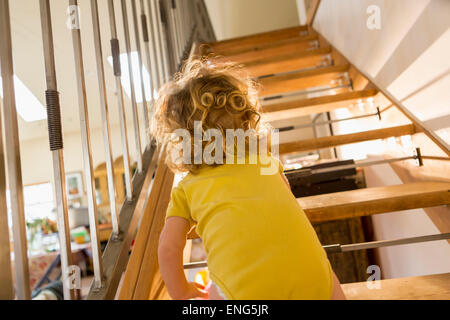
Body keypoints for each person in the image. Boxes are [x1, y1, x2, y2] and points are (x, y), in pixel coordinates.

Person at [153, 58, 346, 300]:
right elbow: (286, 197)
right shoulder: (264, 161)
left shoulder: (186, 189)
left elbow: (168, 249)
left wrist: (181, 291)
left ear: (182, 141)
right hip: (314, 278)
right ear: (245, 120)